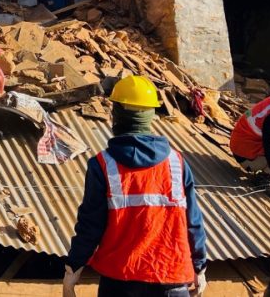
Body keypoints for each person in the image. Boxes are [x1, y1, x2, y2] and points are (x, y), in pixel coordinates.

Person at [63, 75, 208, 297]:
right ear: (150, 115)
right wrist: (200, 267)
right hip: (172, 280)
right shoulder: (176, 162)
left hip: (120, 282)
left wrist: (73, 270)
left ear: (116, 114)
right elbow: (193, 222)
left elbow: (90, 225)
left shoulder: (103, 164)